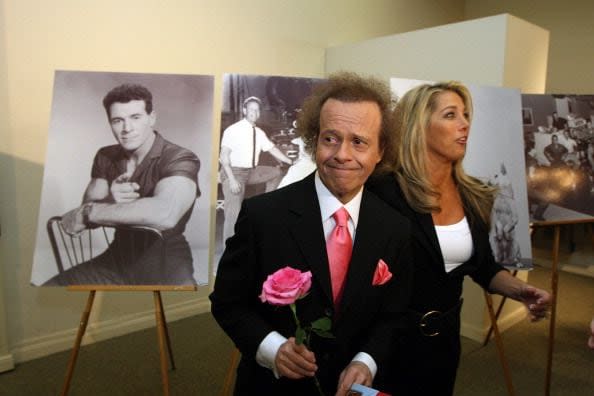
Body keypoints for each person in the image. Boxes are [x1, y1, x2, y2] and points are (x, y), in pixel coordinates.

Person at [210, 72, 413, 396]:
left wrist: (368, 361)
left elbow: (396, 314)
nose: (342, 154)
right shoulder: (263, 216)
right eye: (330, 138)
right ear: (313, 139)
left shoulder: (396, 228)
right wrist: (272, 348)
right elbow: (227, 302)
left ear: (380, 151)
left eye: (359, 142)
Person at [367, 81, 550, 396]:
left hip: (444, 343)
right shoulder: (382, 191)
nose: (465, 124)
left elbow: (483, 266)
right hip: (385, 344)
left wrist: (521, 290)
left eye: (465, 115)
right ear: (418, 125)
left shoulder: (475, 195)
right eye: (451, 115)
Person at [44, 83, 200, 286]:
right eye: (118, 120)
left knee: (179, 312)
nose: (127, 129)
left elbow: (166, 213)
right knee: (49, 291)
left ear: (151, 117)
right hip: (116, 260)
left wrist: (87, 214)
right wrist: (110, 199)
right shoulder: (106, 155)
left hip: (165, 261)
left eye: (135, 117)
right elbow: (91, 202)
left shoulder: (180, 157)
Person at [219, 96, 293, 243]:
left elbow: (272, 149)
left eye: (257, 109)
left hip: (251, 171)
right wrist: (232, 180)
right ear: (244, 110)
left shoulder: (259, 132)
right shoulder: (233, 130)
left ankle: (265, 205)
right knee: (233, 214)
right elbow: (223, 157)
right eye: (251, 109)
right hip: (233, 173)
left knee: (276, 172)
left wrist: (291, 161)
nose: (255, 112)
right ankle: (230, 251)